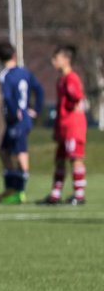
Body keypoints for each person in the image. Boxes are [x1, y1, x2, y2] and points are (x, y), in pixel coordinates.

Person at [0, 41, 43, 205]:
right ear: (14, 55)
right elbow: (39, 89)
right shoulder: (24, 72)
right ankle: (12, 188)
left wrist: (16, 111)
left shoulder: (5, 75)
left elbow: (7, 97)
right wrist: (37, 109)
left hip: (17, 120)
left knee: (20, 153)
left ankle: (19, 191)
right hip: (21, 119)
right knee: (4, 152)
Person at [38, 44, 88, 205]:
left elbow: (77, 96)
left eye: (57, 58)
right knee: (59, 159)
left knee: (75, 158)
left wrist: (77, 102)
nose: (54, 61)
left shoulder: (71, 79)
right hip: (63, 125)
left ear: (66, 60)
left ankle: (79, 195)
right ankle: (55, 194)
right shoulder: (61, 80)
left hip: (73, 126)